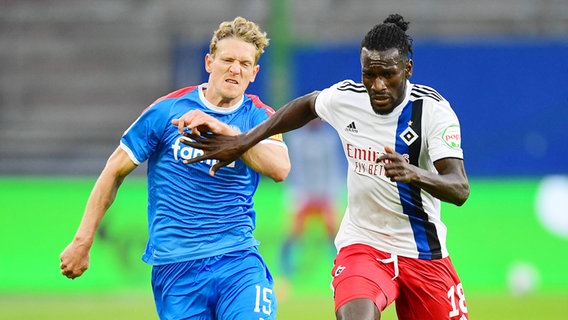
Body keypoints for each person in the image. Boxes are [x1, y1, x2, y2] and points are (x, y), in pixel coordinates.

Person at [175, 13, 470, 320]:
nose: (378, 85)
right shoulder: (347, 98)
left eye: (388, 74)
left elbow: (459, 188)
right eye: (369, 74)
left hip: (424, 253)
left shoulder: (433, 112)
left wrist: (414, 173)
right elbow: (306, 105)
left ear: (407, 69)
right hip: (364, 245)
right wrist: (244, 141)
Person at [59, 16, 290, 320]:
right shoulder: (166, 111)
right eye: (228, 60)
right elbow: (114, 170)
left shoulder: (260, 118)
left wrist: (228, 134)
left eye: (245, 64)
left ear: (254, 73)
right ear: (209, 62)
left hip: (238, 260)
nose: (235, 69)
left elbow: (280, 169)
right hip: (176, 268)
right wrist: (82, 240)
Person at [280, 119, 344, 279]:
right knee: (294, 230)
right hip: (302, 192)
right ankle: (285, 269)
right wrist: (302, 193)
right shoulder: (296, 138)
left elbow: (333, 167)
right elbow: (295, 167)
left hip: (326, 192)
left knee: (334, 231)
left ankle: (340, 266)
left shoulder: (329, 138)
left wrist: (329, 192)